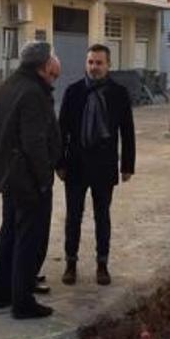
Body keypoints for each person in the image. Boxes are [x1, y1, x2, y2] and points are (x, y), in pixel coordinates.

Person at [0, 42, 61, 319]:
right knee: (29, 239)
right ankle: (22, 302)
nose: (55, 64)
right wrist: (43, 180)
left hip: (9, 176)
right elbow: (34, 142)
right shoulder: (33, 93)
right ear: (43, 66)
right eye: (52, 60)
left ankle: (2, 294)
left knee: (9, 233)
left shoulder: (6, 87)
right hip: (27, 180)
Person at [56, 44, 135, 286]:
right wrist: (59, 163)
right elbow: (61, 131)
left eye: (99, 63)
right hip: (76, 166)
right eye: (90, 62)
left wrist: (128, 165)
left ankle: (102, 264)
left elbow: (127, 132)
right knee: (73, 217)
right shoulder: (73, 92)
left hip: (104, 165)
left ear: (108, 65)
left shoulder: (119, 93)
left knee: (102, 216)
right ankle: (71, 263)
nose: (94, 67)